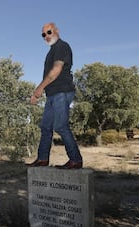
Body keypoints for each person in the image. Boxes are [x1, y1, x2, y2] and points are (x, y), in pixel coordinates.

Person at [27, 22, 82, 169]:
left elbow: (56, 70)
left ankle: (75, 159)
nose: (46, 36)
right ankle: (43, 159)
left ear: (56, 31)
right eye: (43, 34)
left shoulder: (62, 46)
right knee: (45, 126)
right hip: (52, 94)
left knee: (61, 126)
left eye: (49, 32)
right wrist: (42, 91)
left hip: (62, 92)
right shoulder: (51, 50)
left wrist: (38, 90)